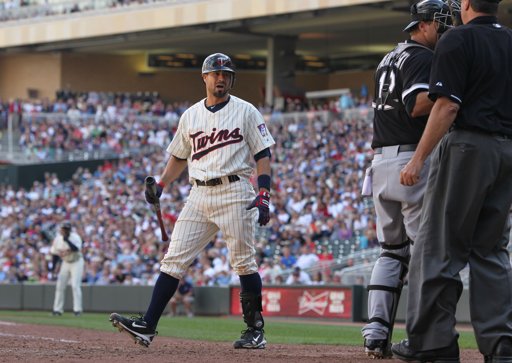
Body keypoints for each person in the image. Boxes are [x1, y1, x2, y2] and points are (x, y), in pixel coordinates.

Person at [110, 52, 275, 349]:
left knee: (243, 262)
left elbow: (263, 154)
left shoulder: (246, 111)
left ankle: (255, 330)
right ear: (205, 77)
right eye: (216, 74)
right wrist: (161, 183)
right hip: (198, 193)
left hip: (235, 190)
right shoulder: (190, 115)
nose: (221, 78)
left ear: (232, 79)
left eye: (226, 74)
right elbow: (178, 157)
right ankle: (148, 325)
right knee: (173, 260)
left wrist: (264, 192)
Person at [392, 1, 512, 362]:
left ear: (466, 5)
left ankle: (432, 344)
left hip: (468, 147)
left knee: (437, 248)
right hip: (507, 151)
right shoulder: (509, 40)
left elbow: (447, 106)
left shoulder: (457, 39)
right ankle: (502, 344)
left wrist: (418, 158)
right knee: (491, 252)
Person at [360, 0, 452, 358]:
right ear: (424, 25)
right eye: (442, 23)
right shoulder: (422, 58)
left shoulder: (389, 57)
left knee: (390, 251)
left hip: (380, 161)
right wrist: (456, 92)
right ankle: (420, 335)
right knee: (423, 254)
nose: (446, 30)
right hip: (410, 160)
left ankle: (374, 333)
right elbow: (417, 104)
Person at [49, 222, 84, 316]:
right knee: (60, 286)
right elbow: (55, 255)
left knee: (75, 286)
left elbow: (76, 249)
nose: (65, 231)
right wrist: (53, 268)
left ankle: (77, 310)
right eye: (63, 229)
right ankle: (57, 310)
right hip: (65, 262)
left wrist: (67, 240)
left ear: (69, 230)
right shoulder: (58, 239)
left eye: (66, 229)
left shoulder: (75, 237)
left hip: (77, 262)